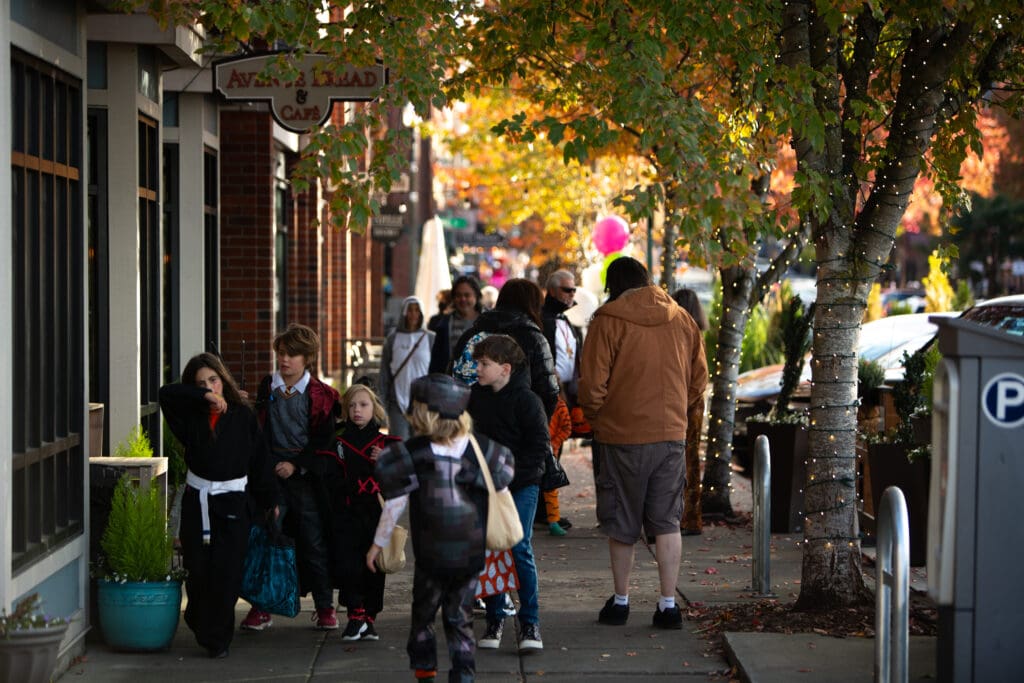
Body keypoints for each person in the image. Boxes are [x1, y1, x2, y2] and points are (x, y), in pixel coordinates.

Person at [578, 257, 708, 630]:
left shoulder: (608, 320)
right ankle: (668, 605)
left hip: (621, 437)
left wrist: (601, 420)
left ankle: (621, 601)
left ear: (614, 284)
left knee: (622, 522)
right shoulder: (681, 317)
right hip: (669, 435)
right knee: (667, 522)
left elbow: (591, 385)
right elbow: (699, 380)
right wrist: (676, 413)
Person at [367, 374, 515, 683]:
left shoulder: (412, 453)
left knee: (423, 614)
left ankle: (425, 669)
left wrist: (378, 544)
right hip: (470, 553)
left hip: (431, 555)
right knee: (459, 618)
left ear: (425, 413)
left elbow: (395, 502)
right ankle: (464, 675)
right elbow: (500, 490)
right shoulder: (484, 451)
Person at [159, 353, 278, 658]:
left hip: (233, 504)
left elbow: (259, 460)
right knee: (198, 571)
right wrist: (204, 396)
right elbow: (165, 394)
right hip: (197, 502)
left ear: (224, 379)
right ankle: (199, 618)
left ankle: (218, 640)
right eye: (201, 383)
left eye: (214, 379)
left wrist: (269, 500)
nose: (210, 386)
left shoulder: (243, 416)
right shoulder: (189, 416)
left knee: (226, 573)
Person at [243, 323, 341, 632]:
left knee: (313, 539)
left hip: (305, 476)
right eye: (282, 353)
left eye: (293, 354)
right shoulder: (266, 387)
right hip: (270, 474)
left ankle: (325, 606)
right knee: (267, 536)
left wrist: (297, 465)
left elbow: (323, 441)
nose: (285, 360)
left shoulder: (321, 395)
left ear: (307, 358)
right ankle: (263, 606)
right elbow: (260, 431)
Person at [467, 334, 548, 652]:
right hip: (484, 486)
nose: (478, 369)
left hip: (521, 486)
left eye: (484, 364)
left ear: (505, 368)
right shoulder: (475, 397)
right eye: (477, 363)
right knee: (489, 551)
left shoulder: (527, 401)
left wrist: (509, 477)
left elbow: (538, 447)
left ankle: (530, 622)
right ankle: (495, 617)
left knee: (518, 548)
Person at [331, 383, 402, 641]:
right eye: (351, 405)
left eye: (363, 405)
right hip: (347, 512)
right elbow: (330, 477)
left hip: (375, 514)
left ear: (375, 409)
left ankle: (369, 617)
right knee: (349, 564)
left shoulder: (386, 444)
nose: (357, 410)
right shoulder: (338, 442)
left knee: (374, 566)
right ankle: (355, 614)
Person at [450, 278, 559, 418]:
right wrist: (536, 424)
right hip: (517, 426)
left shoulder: (470, 334)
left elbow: (453, 376)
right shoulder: (534, 338)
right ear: (533, 305)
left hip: (471, 422)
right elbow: (548, 391)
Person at [539, 269, 583, 530]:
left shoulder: (568, 324)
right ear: (553, 290)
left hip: (566, 395)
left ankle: (549, 508)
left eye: (574, 290)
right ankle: (545, 510)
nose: (572, 295)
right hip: (549, 396)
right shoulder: (544, 320)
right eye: (567, 290)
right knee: (548, 450)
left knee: (557, 450)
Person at [672, 288, 709, 536]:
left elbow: (697, 376)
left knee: (680, 461)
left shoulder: (683, 334)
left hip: (683, 403)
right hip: (692, 403)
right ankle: (690, 516)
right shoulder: (697, 333)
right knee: (690, 460)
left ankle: (684, 516)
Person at [379, 296, 435, 439]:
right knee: (399, 442)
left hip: (423, 402)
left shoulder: (430, 338)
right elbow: (385, 371)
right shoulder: (393, 338)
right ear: (404, 312)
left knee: (420, 443)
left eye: (417, 310)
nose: (413, 314)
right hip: (397, 400)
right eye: (410, 310)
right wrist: (382, 399)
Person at [429, 276, 484, 374]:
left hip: (482, 383)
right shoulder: (444, 324)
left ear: (476, 296)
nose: (463, 299)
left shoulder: (487, 321)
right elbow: (436, 359)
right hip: (452, 383)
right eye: (458, 295)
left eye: (467, 295)